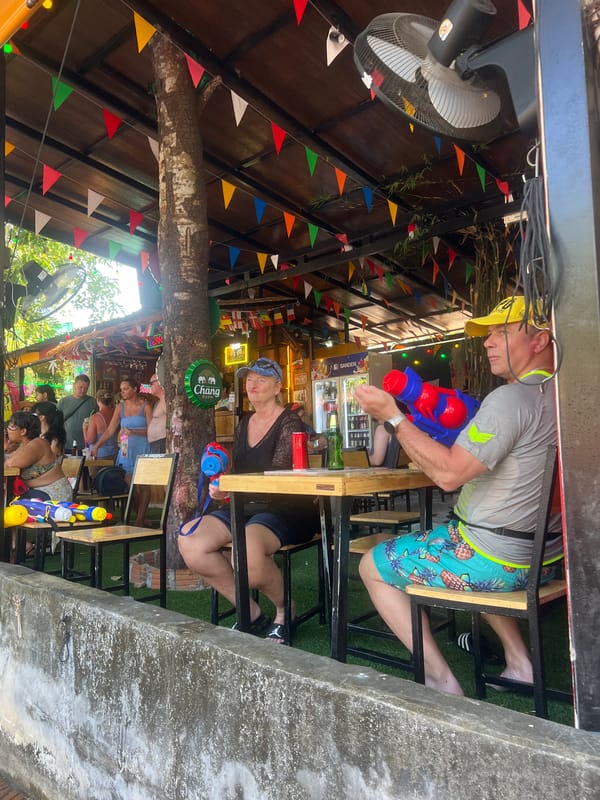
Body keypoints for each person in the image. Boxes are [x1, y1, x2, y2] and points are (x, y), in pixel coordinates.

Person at [354, 296, 563, 696]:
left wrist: (393, 417)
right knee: (453, 532)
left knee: (372, 565)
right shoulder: (560, 396)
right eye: (488, 334)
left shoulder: (510, 399)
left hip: (494, 561)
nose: (487, 342)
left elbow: (449, 475)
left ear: (539, 340)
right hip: (546, 558)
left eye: (501, 332)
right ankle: (519, 663)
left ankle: (440, 680)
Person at [178, 357, 319, 643]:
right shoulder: (243, 423)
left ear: (278, 386)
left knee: (247, 552)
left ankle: (284, 610)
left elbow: (277, 477)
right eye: (249, 379)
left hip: (285, 507)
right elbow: (239, 472)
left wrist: (234, 488)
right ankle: (250, 613)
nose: (252, 384)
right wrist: (222, 486)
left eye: (262, 379)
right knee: (189, 541)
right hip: (244, 506)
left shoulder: (290, 423)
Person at [91, 378, 152, 525]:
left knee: (143, 485)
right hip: (125, 449)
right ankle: (140, 515)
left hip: (142, 447)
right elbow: (111, 429)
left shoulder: (146, 406)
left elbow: (152, 430)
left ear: (135, 389)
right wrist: (97, 445)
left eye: (126, 388)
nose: (123, 392)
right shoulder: (120, 407)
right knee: (129, 484)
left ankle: (140, 519)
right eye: (121, 389)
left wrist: (134, 431)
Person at [4, 411, 72, 501]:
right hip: (39, 491)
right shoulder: (24, 445)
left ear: (23, 431)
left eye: (12, 427)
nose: (7, 430)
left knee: (12, 504)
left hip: (52, 495)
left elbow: (10, 463)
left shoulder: (38, 444)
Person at [57, 374, 98, 451]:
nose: (83, 390)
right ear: (74, 385)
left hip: (86, 446)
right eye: (80, 387)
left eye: (86, 388)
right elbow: (57, 423)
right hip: (68, 445)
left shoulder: (92, 401)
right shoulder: (63, 402)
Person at [83, 389, 119, 459]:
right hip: (115, 453)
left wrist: (84, 429)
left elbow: (90, 440)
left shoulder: (95, 417)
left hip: (99, 454)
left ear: (98, 400)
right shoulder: (116, 414)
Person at [147, 373, 166, 453]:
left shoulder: (165, 399)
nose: (149, 386)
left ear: (159, 382)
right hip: (156, 443)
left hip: (161, 442)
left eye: (151, 383)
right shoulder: (159, 401)